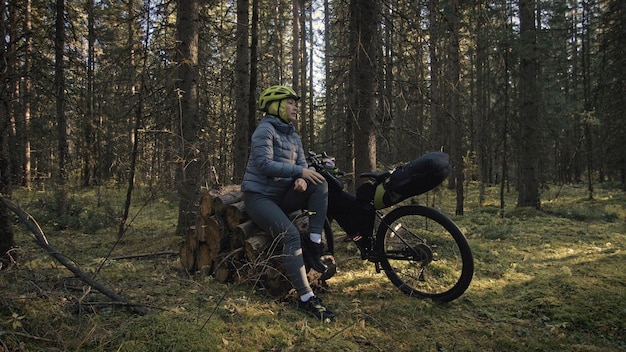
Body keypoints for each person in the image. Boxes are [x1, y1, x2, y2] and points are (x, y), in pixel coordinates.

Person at [241, 85, 336, 321]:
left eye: (296, 103)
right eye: (291, 102)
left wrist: (302, 179)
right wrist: (298, 171)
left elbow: (303, 165)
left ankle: (314, 244)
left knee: (320, 182)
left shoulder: (293, 135)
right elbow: (264, 165)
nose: (295, 107)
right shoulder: (264, 131)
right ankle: (306, 298)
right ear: (277, 106)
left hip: (283, 195)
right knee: (291, 235)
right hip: (260, 197)